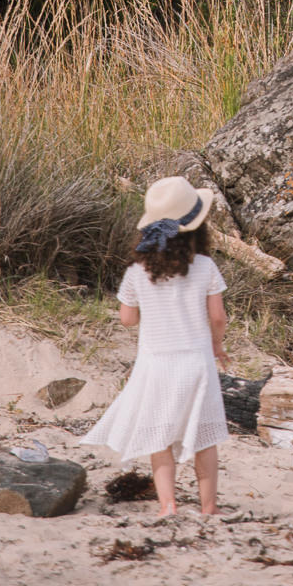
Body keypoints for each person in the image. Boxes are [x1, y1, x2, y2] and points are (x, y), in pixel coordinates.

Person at [84, 177, 229, 517]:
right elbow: (218, 317)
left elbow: (127, 319)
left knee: (159, 439)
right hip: (196, 361)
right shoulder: (205, 266)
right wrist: (217, 346)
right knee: (206, 438)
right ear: (195, 227)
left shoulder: (138, 270)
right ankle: (209, 508)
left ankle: (168, 506)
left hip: (155, 363)